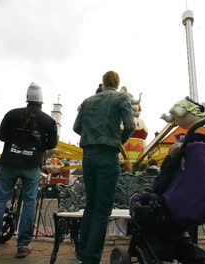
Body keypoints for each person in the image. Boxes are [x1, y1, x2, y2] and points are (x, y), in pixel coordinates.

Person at [0, 82, 58, 263]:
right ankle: (23, 245)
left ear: (27, 98)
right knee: (29, 202)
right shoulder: (48, 120)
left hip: (9, 162)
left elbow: (2, 137)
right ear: (41, 102)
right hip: (31, 165)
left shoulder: (12, 114)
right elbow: (52, 144)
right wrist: (36, 147)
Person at [73, 71, 135, 264]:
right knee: (102, 209)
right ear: (117, 83)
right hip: (108, 155)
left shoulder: (88, 101)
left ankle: (83, 253)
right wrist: (119, 139)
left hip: (88, 155)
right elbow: (130, 124)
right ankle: (91, 258)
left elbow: (76, 127)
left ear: (103, 82)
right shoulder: (121, 98)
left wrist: (91, 134)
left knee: (90, 206)